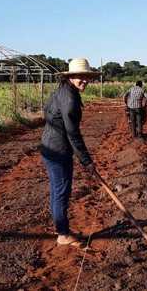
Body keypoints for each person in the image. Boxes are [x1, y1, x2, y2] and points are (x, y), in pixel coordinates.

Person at [40, 58, 100, 246]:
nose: (85, 80)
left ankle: (61, 228)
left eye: (87, 77)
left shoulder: (62, 91)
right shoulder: (70, 99)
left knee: (57, 190)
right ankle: (63, 234)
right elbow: (73, 134)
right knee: (61, 192)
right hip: (58, 151)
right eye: (80, 77)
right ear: (71, 76)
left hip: (49, 146)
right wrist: (87, 162)